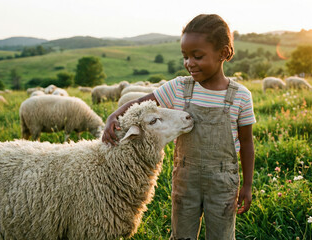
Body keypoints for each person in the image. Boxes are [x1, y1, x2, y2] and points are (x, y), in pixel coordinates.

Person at [102, 14, 255, 240]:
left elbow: (247, 142)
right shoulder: (179, 88)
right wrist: (114, 115)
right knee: (181, 235)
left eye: (197, 56)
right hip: (186, 180)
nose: (189, 63)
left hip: (222, 183)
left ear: (223, 53)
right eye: (185, 56)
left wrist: (248, 185)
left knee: (222, 236)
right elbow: (142, 103)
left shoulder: (240, 96)